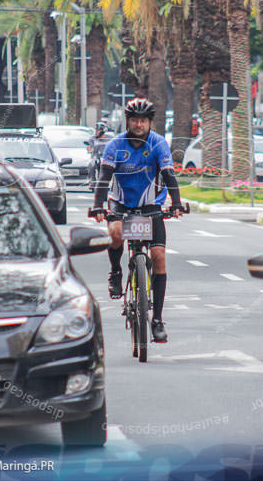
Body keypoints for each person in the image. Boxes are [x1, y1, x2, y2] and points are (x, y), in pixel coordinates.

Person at [89, 98, 185, 343]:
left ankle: (158, 320)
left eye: (143, 120)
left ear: (150, 122)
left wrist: (175, 203)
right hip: (121, 203)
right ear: (128, 121)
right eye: (134, 120)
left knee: (159, 256)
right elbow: (104, 178)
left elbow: (169, 175)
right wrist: (99, 206)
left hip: (150, 205)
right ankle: (115, 271)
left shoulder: (158, 144)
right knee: (116, 232)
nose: (139, 124)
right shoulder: (115, 145)